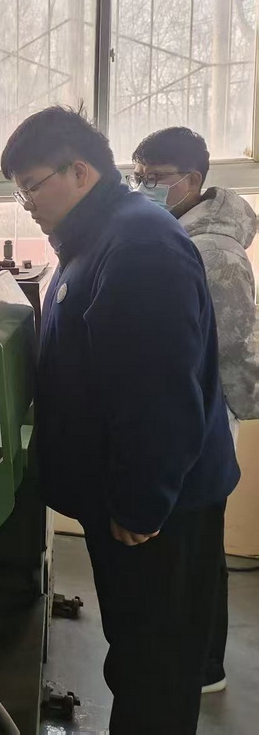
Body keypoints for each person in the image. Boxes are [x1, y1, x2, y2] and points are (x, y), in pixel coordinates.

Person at [0, 106, 239, 734]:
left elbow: (158, 395)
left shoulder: (138, 246)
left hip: (157, 513)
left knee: (155, 667)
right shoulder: (99, 235)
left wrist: (139, 504)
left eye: (31, 186)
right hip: (133, 501)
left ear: (79, 172)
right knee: (138, 653)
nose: (26, 203)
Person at [131, 126, 259, 694]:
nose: (145, 188)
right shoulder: (178, 233)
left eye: (155, 178)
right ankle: (199, 660)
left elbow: (237, 348)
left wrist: (225, 416)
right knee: (193, 548)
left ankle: (204, 667)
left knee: (198, 550)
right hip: (192, 415)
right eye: (138, 177)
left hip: (204, 420)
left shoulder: (216, 253)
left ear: (193, 180)